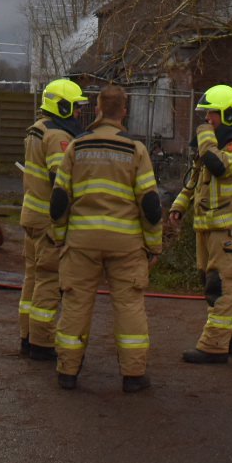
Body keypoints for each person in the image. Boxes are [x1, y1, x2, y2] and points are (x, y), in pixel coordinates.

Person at [51, 84, 164, 393]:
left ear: (97, 110)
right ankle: (133, 375)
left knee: (75, 304)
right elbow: (150, 206)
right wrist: (154, 245)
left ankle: (67, 372)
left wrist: (61, 238)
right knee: (129, 306)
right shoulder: (135, 150)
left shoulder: (77, 146)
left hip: (82, 242)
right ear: (123, 112)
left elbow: (59, 199)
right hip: (125, 245)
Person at [166, 84, 232, 364]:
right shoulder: (211, 147)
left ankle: (214, 346)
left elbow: (220, 167)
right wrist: (179, 206)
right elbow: (194, 181)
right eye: (206, 115)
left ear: (228, 115)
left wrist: (205, 138)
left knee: (221, 286)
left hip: (228, 230)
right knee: (211, 283)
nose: (207, 121)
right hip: (207, 228)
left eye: (212, 115)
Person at [17, 77, 86, 361]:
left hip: (31, 216)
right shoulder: (57, 136)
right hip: (48, 220)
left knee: (32, 279)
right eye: (75, 107)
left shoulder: (37, 130)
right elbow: (61, 181)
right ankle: (42, 343)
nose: (79, 113)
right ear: (62, 106)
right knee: (48, 281)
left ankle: (27, 335)